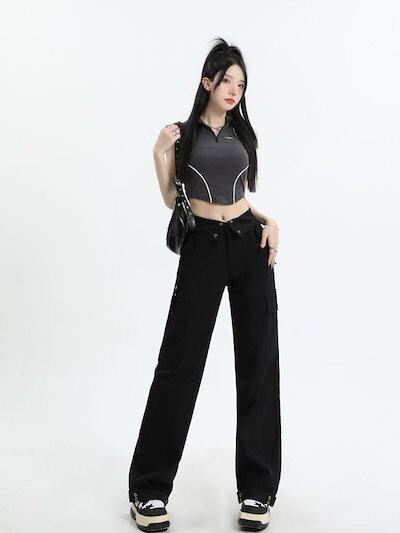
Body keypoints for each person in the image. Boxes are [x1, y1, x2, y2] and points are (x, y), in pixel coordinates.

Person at [128, 37, 281, 532]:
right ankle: (149, 489)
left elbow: (240, 197)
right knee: (179, 364)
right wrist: (158, 153)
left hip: (249, 243)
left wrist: (269, 221)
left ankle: (257, 489)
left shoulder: (242, 133)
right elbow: (172, 198)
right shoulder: (184, 134)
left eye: (241, 83)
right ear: (207, 82)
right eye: (227, 81)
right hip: (203, 248)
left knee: (258, 364)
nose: (234, 90)